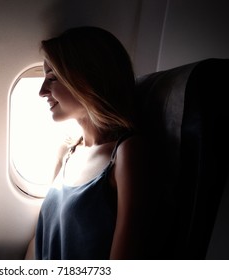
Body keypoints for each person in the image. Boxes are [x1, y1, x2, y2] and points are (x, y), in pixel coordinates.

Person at [25, 26, 155, 260]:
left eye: (52, 78)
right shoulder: (66, 151)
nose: (41, 91)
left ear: (88, 81)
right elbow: (38, 241)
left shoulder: (127, 153)